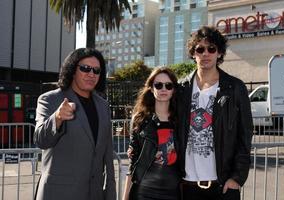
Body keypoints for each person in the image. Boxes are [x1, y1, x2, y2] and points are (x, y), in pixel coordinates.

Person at [177, 26, 253, 200]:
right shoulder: (181, 89)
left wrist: (237, 178)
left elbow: (245, 136)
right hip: (187, 185)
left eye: (211, 48)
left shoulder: (235, 88)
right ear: (193, 53)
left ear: (219, 53)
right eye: (200, 49)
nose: (205, 53)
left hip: (223, 185)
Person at [34, 48, 116, 200]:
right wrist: (57, 118)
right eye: (85, 68)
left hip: (94, 194)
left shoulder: (103, 106)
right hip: (58, 194)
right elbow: (41, 140)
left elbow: (107, 153)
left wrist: (110, 192)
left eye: (96, 70)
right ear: (72, 70)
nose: (91, 74)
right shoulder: (49, 99)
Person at [122, 67, 181, 200]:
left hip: (173, 191)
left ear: (174, 89)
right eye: (158, 85)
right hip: (144, 191)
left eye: (168, 85)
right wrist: (125, 197)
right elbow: (133, 163)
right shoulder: (141, 120)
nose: (163, 89)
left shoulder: (181, 120)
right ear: (151, 88)